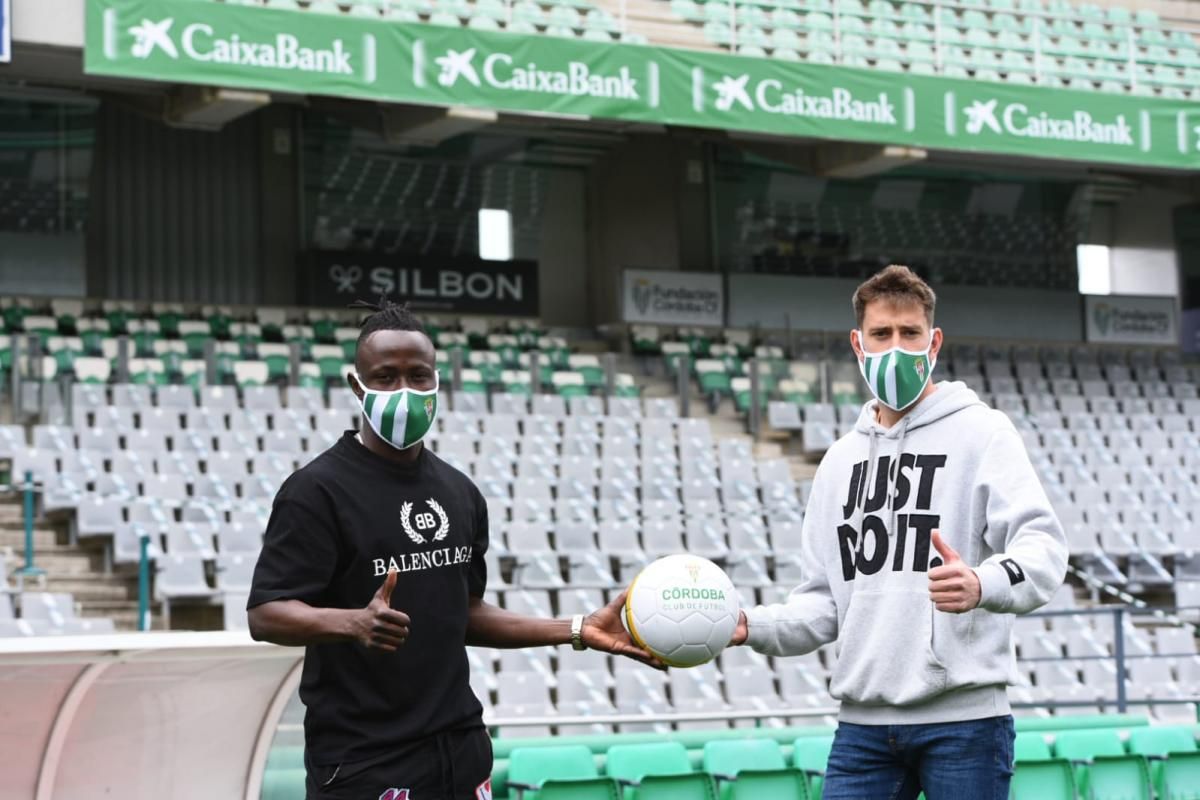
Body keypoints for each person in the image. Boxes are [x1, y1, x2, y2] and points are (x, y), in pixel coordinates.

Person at [247, 300, 657, 800]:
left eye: (418, 376)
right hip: (366, 761)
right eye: (385, 377)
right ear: (357, 386)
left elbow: (465, 613)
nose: (404, 391)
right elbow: (266, 614)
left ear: (437, 382)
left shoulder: (459, 491)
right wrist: (352, 622)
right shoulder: (316, 490)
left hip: (461, 748)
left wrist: (574, 629)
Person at [730, 265, 1069, 799]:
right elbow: (821, 606)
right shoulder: (839, 461)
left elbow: (1044, 548)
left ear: (933, 342)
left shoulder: (982, 431)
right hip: (861, 730)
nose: (895, 348)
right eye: (881, 334)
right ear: (857, 345)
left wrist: (984, 583)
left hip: (965, 725)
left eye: (909, 333)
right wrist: (748, 624)